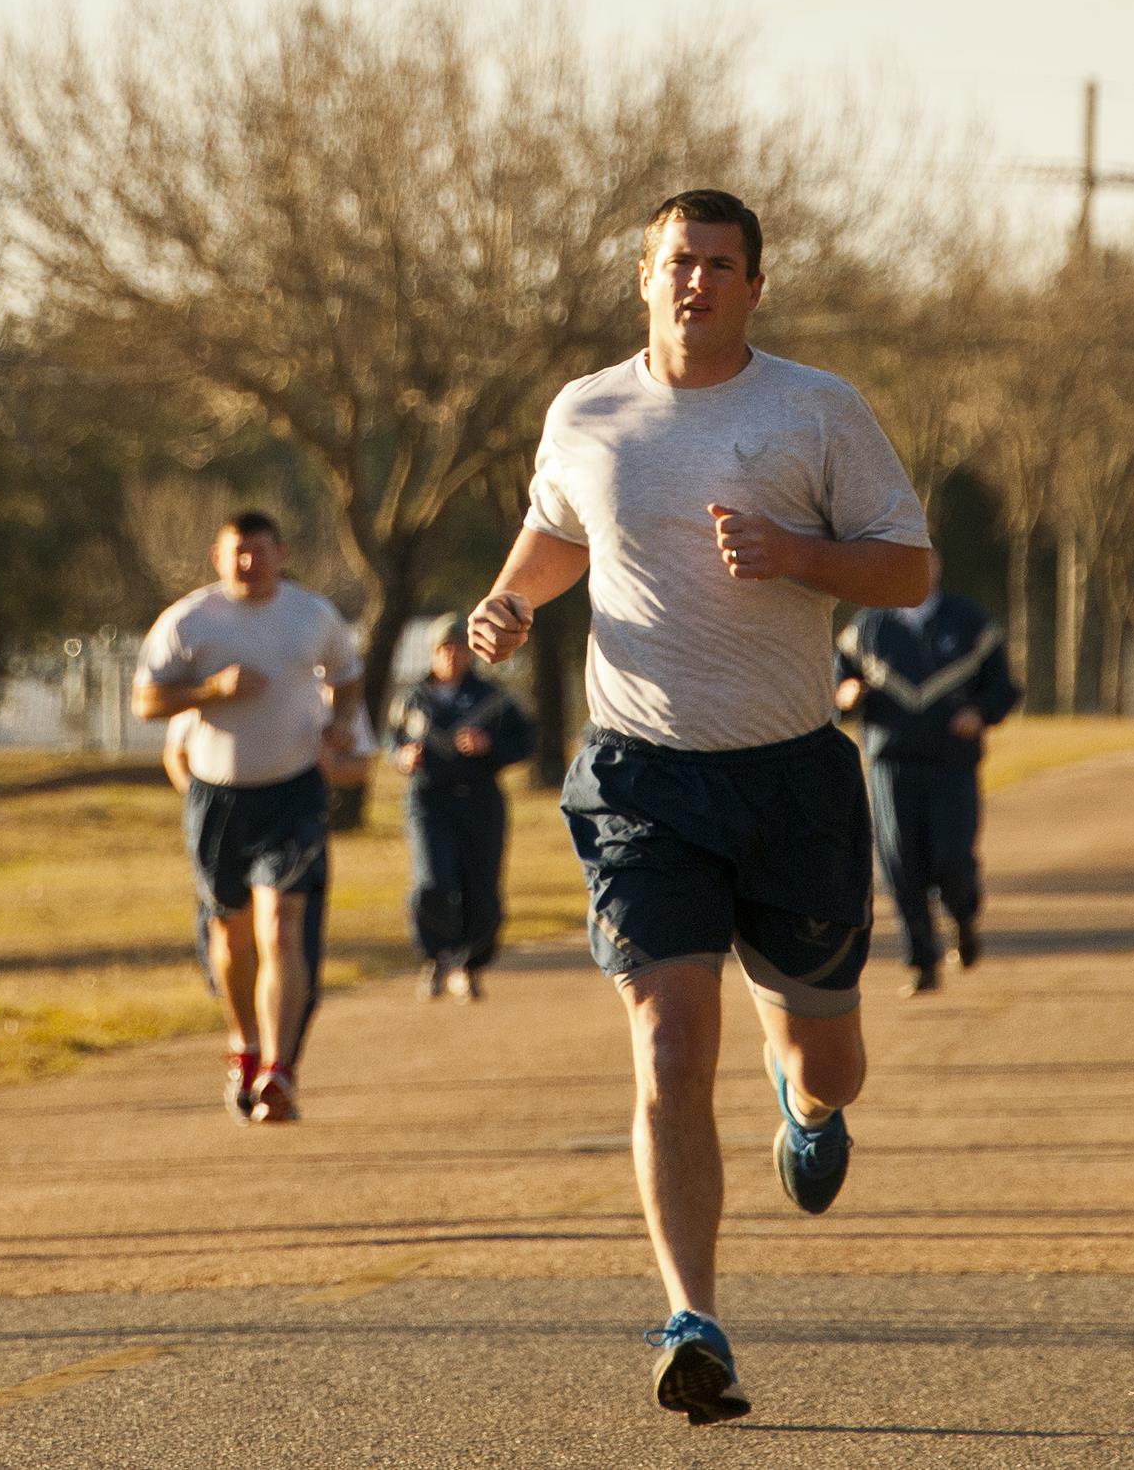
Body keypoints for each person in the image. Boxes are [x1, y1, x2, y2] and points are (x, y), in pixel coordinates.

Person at [468, 188, 931, 1427]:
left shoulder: (814, 409)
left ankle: (809, 1101)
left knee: (826, 1054)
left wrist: (799, 554)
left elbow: (910, 564)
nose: (698, 282)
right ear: (644, 275)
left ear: (754, 286)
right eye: (680, 261)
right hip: (642, 778)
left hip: (791, 777)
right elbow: (557, 534)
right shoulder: (588, 410)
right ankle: (696, 1321)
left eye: (722, 265)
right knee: (670, 1045)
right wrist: (511, 602)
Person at [134, 509, 368, 1126]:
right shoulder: (188, 620)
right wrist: (211, 691)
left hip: (293, 792)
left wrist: (341, 728)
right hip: (217, 798)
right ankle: (246, 1044)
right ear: (218, 555)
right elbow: (145, 700)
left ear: (280, 553)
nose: (249, 562)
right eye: (238, 552)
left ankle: (280, 1070)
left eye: (260, 551)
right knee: (231, 935)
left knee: (282, 929)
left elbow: (347, 677)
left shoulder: (311, 614)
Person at [834, 553, 1021, 995]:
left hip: (951, 764)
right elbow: (838, 681)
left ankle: (963, 917)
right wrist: (845, 694)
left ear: (935, 564)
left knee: (952, 861)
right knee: (901, 866)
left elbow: (1004, 686)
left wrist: (980, 711)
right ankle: (922, 963)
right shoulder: (867, 628)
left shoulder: (969, 621)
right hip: (890, 765)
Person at [392, 612, 538, 1000]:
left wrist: (490, 747)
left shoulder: (493, 699)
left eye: (458, 649)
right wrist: (403, 757)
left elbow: (524, 743)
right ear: (433, 653)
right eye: (444, 649)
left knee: (480, 884)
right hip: (428, 799)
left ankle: (470, 964)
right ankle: (436, 956)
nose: (451, 657)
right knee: (432, 880)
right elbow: (393, 741)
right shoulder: (412, 699)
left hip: (479, 800)